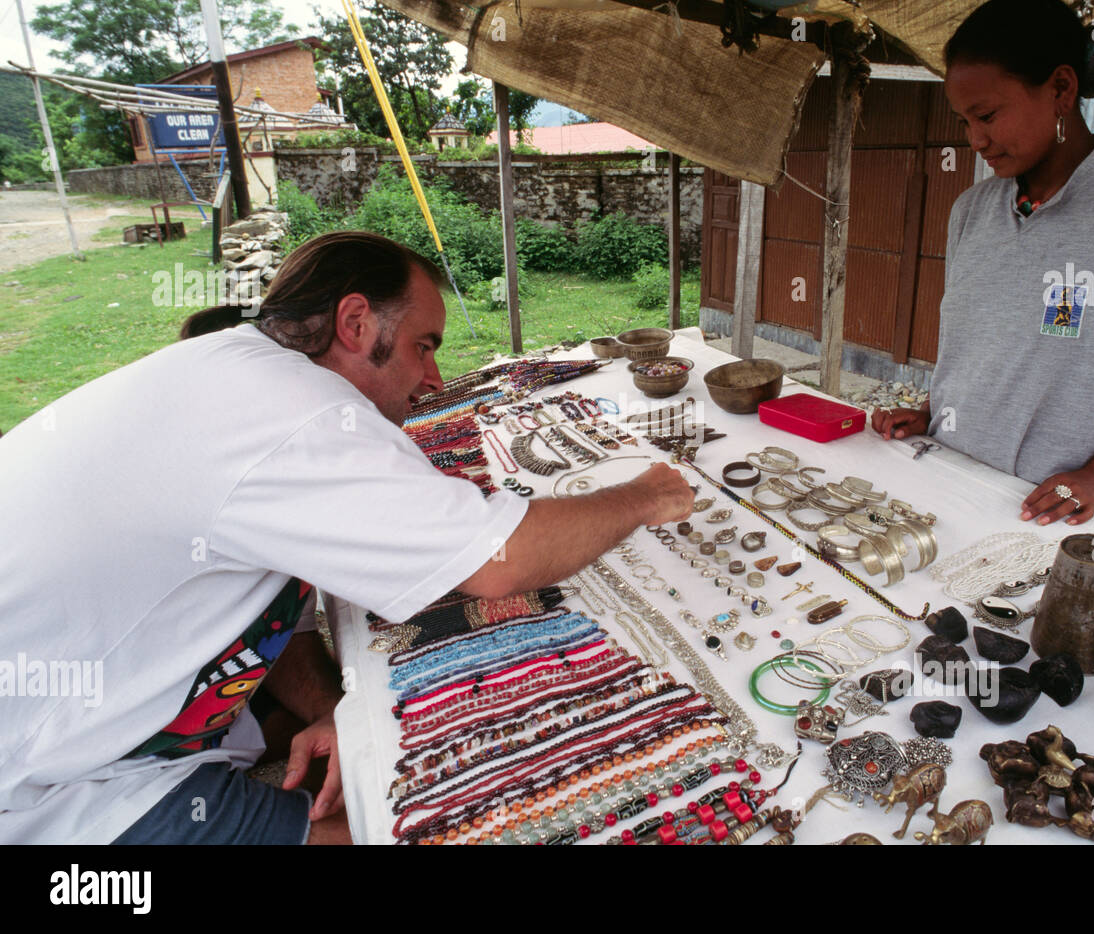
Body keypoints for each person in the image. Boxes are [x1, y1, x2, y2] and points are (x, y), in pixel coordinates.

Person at [0, 230, 694, 845]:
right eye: (424, 346)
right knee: (378, 823)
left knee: (354, 761)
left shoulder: (236, 369)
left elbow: (286, 624)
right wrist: (643, 495)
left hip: (80, 704)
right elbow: (502, 560)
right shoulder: (298, 414)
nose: (434, 380)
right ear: (356, 322)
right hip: (46, 782)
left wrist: (342, 714)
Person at [871, 0, 1094, 526]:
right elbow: (990, 347)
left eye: (988, 115)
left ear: (1061, 89)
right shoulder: (974, 209)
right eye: (966, 120)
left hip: (1048, 511)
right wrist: (934, 413)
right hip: (944, 478)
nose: (976, 140)